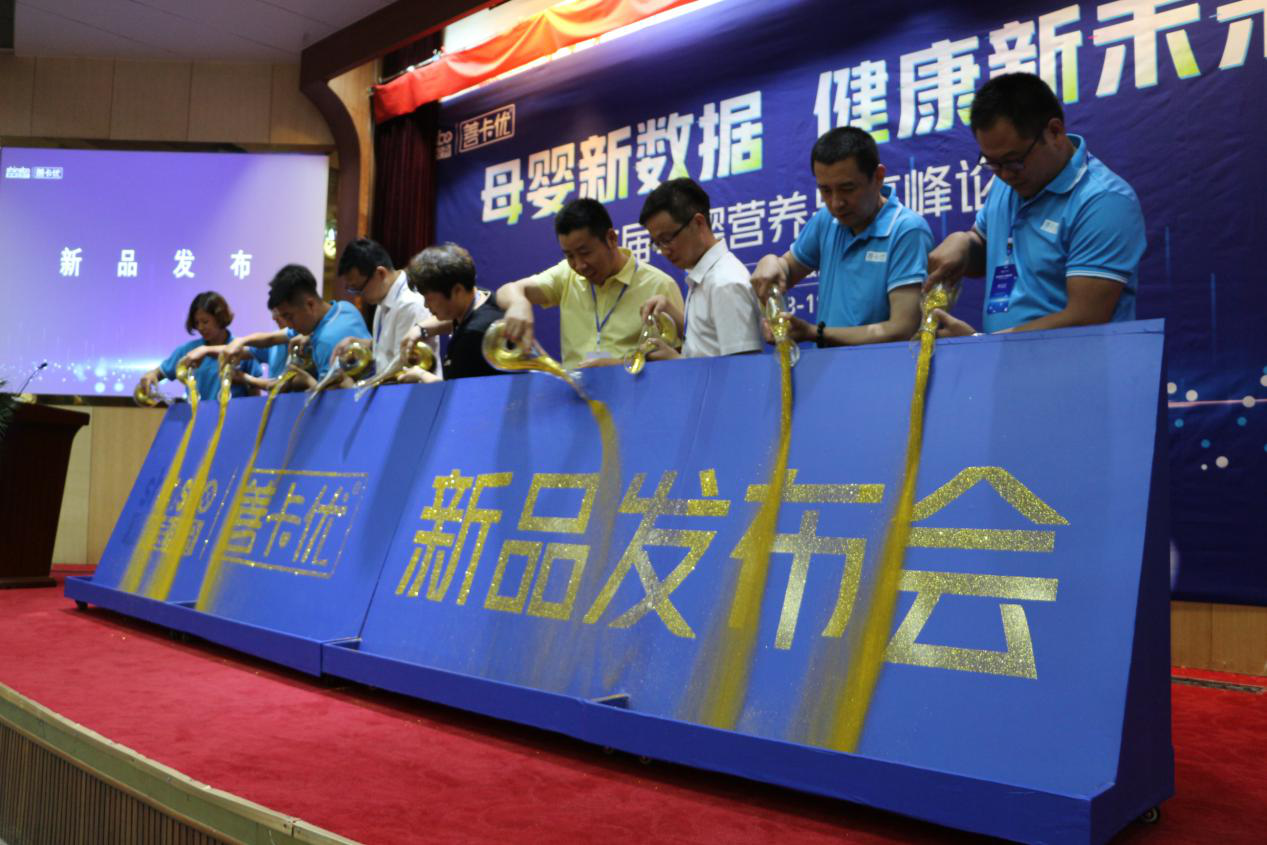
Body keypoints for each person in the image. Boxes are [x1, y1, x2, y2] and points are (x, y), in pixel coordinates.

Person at [925, 72, 1146, 336]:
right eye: (992, 163)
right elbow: (985, 245)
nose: (1005, 174)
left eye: (1014, 161)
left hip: (1078, 360)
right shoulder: (1007, 183)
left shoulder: (1103, 201)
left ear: (1054, 132)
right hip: (1005, 358)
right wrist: (963, 242)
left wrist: (980, 345)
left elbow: (1085, 319)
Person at [750, 127, 931, 347]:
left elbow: (902, 328)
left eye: (847, 188)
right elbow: (786, 269)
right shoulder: (827, 220)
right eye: (825, 190)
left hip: (884, 365)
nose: (836, 203)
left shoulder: (907, 230)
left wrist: (816, 333)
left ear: (878, 177)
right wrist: (769, 261)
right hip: (827, 364)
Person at [495, 198, 683, 369]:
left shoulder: (659, 285)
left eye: (585, 253)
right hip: (575, 391)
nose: (579, 265)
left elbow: (675, 365)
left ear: (611, 238)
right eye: (570, 256)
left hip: (635, 391)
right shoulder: (566, 275)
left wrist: (618, 367)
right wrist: (518, 303)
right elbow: (507, 290)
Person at [637, 178, 762, 359]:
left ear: (698, 223)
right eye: (657, 243)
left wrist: (675, 361)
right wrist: (670, 311)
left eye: (667, 239)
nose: (664, 251)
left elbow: (742, 369)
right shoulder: (703, 275)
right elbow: (706, 345)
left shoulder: (725, 283)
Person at [226, 264, 370, 389]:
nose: (289, 325)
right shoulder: (344, 307)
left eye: (289, 317)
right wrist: (241, 341)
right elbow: (271, 338)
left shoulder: (326, 342)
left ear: (310, 304)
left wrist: (305, 381)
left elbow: (331, 401)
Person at [332, 237, 440, 377]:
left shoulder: (409, 305)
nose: (359, 296)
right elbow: (386, 348)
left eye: (359, 289)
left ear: (380, 273)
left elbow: (403, 368)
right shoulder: (385, 297)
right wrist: (359, 343)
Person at [397, 243, 504, 382]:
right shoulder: (484, 296)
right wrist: (420, 330)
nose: (426, 305)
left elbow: (455, 392)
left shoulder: (472, 336)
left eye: (429, 299)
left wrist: (420, 374)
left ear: (457, 290)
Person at [137, 291, 260, 401]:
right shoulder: (189, 351)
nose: (200, 327)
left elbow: (255, 394)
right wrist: (150, 376)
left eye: (205, 322)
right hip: (197, 416)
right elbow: (159, 373)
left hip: (234, 417)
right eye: (196, 323)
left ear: (220, 318)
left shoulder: (242, 349)